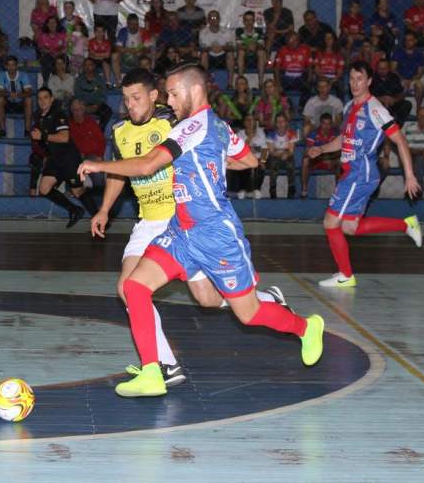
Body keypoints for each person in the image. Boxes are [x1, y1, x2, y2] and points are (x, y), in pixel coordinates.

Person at [78, 64, 325, 397]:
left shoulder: (191, 127)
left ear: (194, 91)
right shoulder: (218, 128)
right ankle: (153, 373)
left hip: (216, 234)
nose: (170, 101)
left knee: (248, 314)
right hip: (181, 230)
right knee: (134, 287)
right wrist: (211, 160)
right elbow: (250, 161)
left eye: (174, 94)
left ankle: (307, 327)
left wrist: (98, 164)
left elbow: (149, 164)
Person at [309, 61, 422, 288]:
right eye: (351, 79)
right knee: (350, 227)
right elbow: (344, 139)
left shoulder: (375, 109)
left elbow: (400, 140)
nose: (354, 83)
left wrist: (409, 175)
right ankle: (406, 225)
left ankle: (346, 275)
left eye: (359, 79)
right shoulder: (350, 106)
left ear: (369, 81)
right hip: (352, 173)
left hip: (360, 173)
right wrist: (322, 148)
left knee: (330, 222)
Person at [33, 86, 97, 227]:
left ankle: (100, 219)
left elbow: (64, 137)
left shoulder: (58, 115)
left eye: (45, 97)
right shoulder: (39, 117)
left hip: (68, 159)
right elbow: (44, 141)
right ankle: (74, 210)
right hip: (54, 159)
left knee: (77, 191)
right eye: (39, 98)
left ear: (51, 99)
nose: (42, 101)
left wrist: (42, 136)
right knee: (44, 189)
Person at [301, 113, 340, 198]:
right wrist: (321, 158)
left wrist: (332, 160)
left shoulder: (336, 135)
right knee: (305, 160)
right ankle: (304, 190)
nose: (326, 126)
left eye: (328, 124)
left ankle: (338, 191)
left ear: (331, 124)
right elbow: (306, 153)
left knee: (341, 162)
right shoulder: (313, 134)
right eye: (324, 123)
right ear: (320, 123)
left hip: (331, 161)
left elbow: (340, 152)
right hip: (316, 161)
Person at [0, 56, 34, 136]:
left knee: (29, 100)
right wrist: (9, 94)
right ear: (6, 66)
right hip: (7, 104)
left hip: (20, 103)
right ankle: (2, 130)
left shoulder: (23, 75)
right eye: (9, 65)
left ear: (17, 66)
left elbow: (29, 92)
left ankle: (27, 130)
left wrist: (19, 95)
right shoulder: (2, 75)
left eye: (13, 65)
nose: (11, 67)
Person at [265, 114, 299, 198]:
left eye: (282, 121)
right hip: (275, 156)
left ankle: (291, 188)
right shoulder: (270, 134)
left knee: (291, 163)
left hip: (287, 156)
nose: (280, 123)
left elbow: (291, 151)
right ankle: (272, 188)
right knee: (273, 163)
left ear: (286, 123)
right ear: (275, 123)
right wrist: (281, 154)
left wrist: (286, 154)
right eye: (278, 121)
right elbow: (271, 151)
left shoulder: (291, 134)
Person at [273, 31, 311, 107]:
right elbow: (276, 68)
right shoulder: (282, 50)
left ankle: (302, 107)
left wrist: (309, 79)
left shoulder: (305, 49)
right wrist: (278, 84)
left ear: (298, 40)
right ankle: (285, 106)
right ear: (286, 42)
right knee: (278, 89)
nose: (293, 43)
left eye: (295, 41)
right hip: (286, 78)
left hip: (300, 78)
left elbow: (310, 67)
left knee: (308, 87)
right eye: (290, 41)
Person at [74, 57, 112, 130]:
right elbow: (77, 94)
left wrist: (96, 105)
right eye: (85, 65)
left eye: (90, 65)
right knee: (74, 110)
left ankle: (99, 131)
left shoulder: (100, 79)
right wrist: (84, 106)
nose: (88, 67)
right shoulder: (79, 79)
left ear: (94, 66)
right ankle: (79, 131)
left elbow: (103, 95)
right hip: (83, 105)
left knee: (108, 111)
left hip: (96, 105)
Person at [371, 59, 412, 125]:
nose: (382, 71)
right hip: (378, 105)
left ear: (389, 69)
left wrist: (394, 100)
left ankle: (396, 127)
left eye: (384, 69)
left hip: (393, 104)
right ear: (376, 68)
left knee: (407, 104)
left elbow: (401, 94)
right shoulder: (372, 79)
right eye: (380, 69)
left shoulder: (394, 77)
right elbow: (367, 95)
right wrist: (381, 99)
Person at [391, 32, 424, 108]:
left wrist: (410, 80)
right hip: (400, 79)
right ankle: (399, 108)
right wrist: (402, 79)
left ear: (415, 41)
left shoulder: (419, 55)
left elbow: (420, 73)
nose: (408, 42)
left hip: (413, 79)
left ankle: (418, 108)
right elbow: (393, 69)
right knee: (399, 86)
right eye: (406, 40)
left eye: (410, 40)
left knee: (419, 85)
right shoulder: (397, 52)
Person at [112, 14, 149, 85]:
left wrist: (140, 50)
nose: (134, 26)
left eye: (136, 24)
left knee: (146, 57)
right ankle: (119, 82)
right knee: (114, 55)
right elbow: (117, 47)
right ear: (127, 24)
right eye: (132, 24)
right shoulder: (123, 31)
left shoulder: (142, 31)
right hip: (125, 56)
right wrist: (131, 50)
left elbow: (147, 47)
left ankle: (145, 80)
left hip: (139, 57)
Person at [199, 10, 235, 79]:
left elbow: (231, 47)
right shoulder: (203, 32)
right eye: (211, 18)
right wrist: (211, 48)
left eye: (215, 18)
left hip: (222, 57)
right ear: (208, 20)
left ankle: (230, 83)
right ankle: (205, 81)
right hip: (210, 57)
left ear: (219, 19)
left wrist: (222, 48)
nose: (213, 20)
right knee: (204, 54)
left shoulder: (227, 32)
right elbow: (202, 48)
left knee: (230, 54)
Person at [235, 10, 266, 88]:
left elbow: (261, 45)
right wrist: (249, 46)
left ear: (254, 21)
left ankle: (261, 82)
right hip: (244, 57)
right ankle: (240, 81)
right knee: (241, 52)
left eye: (251, 20)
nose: (249, 22)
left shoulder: (259, 31)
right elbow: (239, 46)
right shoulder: (239, 31)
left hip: (256, 57)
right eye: (246, 20)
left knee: (261, 52)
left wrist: (255, 45)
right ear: (243, 21)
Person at [312, 31, 345, 98]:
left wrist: (335, 79)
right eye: (326, 38)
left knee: (340, 86)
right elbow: (316, 68)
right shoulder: (319, 52)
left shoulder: (339, 53)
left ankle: (340, 106)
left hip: (334, 78)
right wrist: (323, 78)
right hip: (321, 77)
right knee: (315, 84)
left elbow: (340, 70)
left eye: (330, 38)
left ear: (334, 40)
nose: (328, 40)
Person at [37, 15, 67, 81]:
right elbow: (41, 49)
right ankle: (47, 82)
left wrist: (59, 53)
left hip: (60, 55)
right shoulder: (42, 36)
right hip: (47, 55)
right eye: (50, 23)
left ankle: (63, 81)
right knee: (47, 60)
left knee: (62, 61)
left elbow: (66, 48)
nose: (52, 24)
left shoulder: (63, 35)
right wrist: (51, 52)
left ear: (57, 24)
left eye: (54, 22)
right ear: (47, 25)